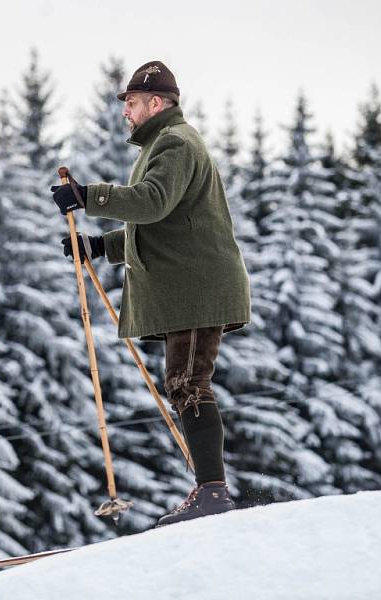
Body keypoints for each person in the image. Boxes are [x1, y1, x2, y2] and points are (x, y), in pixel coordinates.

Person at [51, 60, 251, 527]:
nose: (127, 112)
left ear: (156, 103)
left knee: (188, 384)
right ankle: (211, 489)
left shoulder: (176, 143)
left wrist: (88, 196)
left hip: (196, 288)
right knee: (185, 383)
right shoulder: (166, 143)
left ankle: (213, 492)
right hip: (191, 283)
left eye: (133, 103)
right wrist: (100, 246)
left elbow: (151, 202)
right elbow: (165, 228)